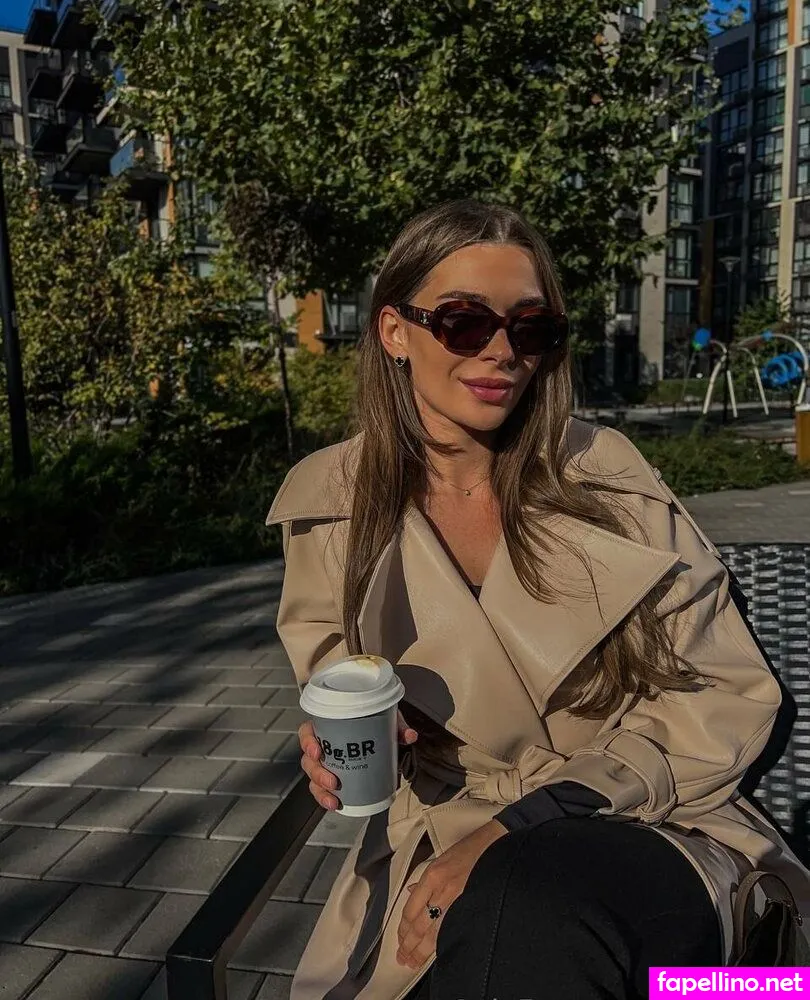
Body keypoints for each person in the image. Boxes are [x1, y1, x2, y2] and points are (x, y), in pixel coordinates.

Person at [265, 199, 810, 1000]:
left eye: (532, 328)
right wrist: (347, 744)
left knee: (526, 902)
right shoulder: (331, 503)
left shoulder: (606, 475)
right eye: (463, 322)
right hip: (440, 846)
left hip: (659, 837)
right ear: (394, 331)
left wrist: (516, 825)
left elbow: (724, 696)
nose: (502, 351)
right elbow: (346, 689)